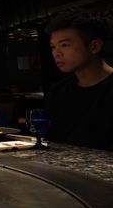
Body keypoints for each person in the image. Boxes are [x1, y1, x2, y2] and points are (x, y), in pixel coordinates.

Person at [45, 8, 113, 150]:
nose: (56, 53)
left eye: (65, 45)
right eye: (53, 47)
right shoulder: (58, 91)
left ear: (94, 46)